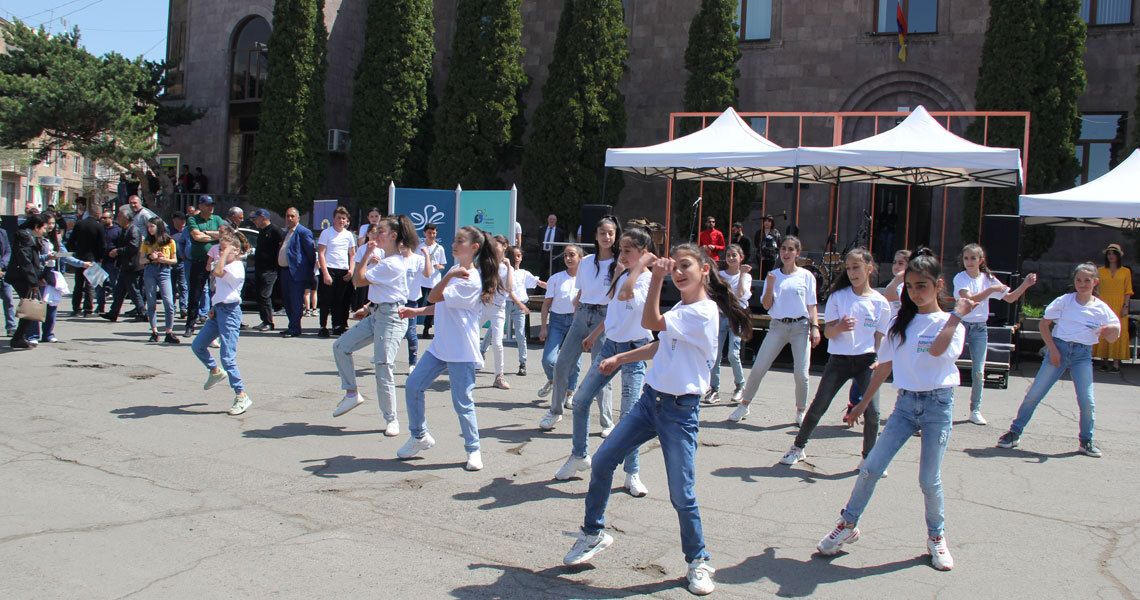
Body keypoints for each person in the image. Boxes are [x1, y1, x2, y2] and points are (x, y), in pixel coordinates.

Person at [562, 244, 753, 597]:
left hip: (680, 412)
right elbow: (659, 343)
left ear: (705, 270)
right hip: (651, 402)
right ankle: (593, 532)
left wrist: (658, 277)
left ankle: (698, 561)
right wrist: (621, 357)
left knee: (682, 494)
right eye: (675, 267)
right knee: (603, 461)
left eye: (686, 267)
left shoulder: (705, 311)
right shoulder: (683, 306)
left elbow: (651, 323)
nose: (679, 272)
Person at [818, 248, 972, 572]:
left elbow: (939, 350)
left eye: (923, 286)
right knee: (870, 468)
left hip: (937, 406)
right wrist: (861, 403)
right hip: (905, 406)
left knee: (929, 480)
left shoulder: (948, 322)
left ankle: (936, 538)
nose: (916, 293)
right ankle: (847, 524)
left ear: (938, 285)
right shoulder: (900, 324)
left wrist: (957, 314)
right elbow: (883, 367)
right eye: (911, 286)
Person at [553, 227, 656, 497]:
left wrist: (642, 266)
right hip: (611, 346)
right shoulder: (622, 273)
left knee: (630, 415)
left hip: (636, 350)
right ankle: (579, 455)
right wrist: (595, 334)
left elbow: (627, 296)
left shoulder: (646, 280)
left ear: (643, 253)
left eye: (627, 250)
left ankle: (632, 473)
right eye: (621, 249)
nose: (621, 254)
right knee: (581, 400)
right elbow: (614, 308)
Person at [396, 226, 499, 471]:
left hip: (462, 350)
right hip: (440, 347)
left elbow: (434, 296)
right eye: (454, 239)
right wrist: (416, 311)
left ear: (474, 247)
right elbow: (441, 306)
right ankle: (419, 436)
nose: (454, 244)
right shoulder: (455, 271)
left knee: (462, 402)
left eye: (460, 241)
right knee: (413, 385)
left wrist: (447, 278)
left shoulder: (470, 279)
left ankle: (474, 450)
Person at [780, 248, 890, 468]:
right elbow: (828, 333)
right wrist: (839, 327)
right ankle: (798, 447)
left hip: (866, 361)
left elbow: (880, 338)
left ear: (869, 268)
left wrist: (879, 358)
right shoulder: (838, 297)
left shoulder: (880, 302)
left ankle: (869, 458)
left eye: (856, 267)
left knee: (873, 412)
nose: (852, 273)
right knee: (819, 405)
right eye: (848, 268)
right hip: (839, 360)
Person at [997, 263, 1121, 458]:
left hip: (1082, 355)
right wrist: (1053, 350)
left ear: (1095, 282)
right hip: (1059, 349)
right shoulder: (1065, 301)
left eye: (1087, 280)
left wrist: (1108, 331)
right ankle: (1014, 432)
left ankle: (1086, 440)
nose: (1082, 284)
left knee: (1087, 400)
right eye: (1078, 280)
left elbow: (1114, 335)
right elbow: (1044, 325)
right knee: (1035, 394)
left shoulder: (1101, 308)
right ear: (1074, 282)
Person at [331, 216, 425, 436]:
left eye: (381, 231)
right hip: (377, 313)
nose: (376, 234)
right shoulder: (386, 258)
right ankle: (352, 393)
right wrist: (368, 306)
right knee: (340, 346)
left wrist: (363, 256)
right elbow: (385, 291)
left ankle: (392, 419)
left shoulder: (392, 263)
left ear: (394, 236)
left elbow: (358, 280)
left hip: (391, 318)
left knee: (383, 366)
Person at [728, 236, 820, 425]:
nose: (786, 253)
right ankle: (744, 405)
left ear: (797, 253)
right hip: (778, 326)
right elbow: (767, 304)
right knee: (759, 367)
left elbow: (812, 305)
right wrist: (769, 285)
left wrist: (815, 327)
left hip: (800, 327)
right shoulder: (773, 275)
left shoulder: (806, 276)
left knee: (801, 373)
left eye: (790, 250)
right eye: (783, 249)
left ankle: (801, 410)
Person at [540, 216, 618, 433]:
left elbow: (616, 299)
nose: (606, 237)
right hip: (582, 314)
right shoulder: (586, 262)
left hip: (604, 317)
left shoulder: (618, 264)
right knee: (562, 363)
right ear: (596, 235)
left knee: (602, 369)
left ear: (615, 236)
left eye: (611, 233)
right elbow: (582, 291)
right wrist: (578, 311)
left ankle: (606, 420)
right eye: (602, 233)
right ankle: (555, 411)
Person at [953, 243, 1037, 425]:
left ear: (980, 260)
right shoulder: (960, 278)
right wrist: (991, 291)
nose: (969, 262)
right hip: (960, 325)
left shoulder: (988, 278)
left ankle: (975, 409)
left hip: (980, 327)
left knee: (978, 371)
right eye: (966, 258)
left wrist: (1025, 284)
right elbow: (970, 299)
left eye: (973, 258)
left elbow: (1010, 297)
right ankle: (945, 403)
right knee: (949, 364)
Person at [192, 232, 251, 415]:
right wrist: (213, 306)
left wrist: (225, 254)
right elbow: (220, 288)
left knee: (227, 356)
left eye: (224, 249)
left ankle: (241, 395)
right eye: (219, 248)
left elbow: (216, 272)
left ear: (236, 250)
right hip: (219, 311)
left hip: (231, 313)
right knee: (198, 345)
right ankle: (214, 371)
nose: (219, 252)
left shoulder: (237, 267)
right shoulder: (226, 263)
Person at [704, 244, 751, 404]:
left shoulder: (746, 276)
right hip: (720, 316)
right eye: (729, 255)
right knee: (715, 355)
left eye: (734, 255)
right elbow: (713, 295)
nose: (731, 258)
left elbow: (739, 295)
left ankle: (740, 386)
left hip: (736, 317)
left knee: (733, 353)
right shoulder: (721, 275)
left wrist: (743, 275)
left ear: (741, 258)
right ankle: (714, 389)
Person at [479, 235, 526, 390]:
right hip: (482, 306)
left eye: (496, 244)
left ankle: (499, 377)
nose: (493, 247)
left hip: (498, 308)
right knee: (470, 334)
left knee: (497, 343)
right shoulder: (487, 262)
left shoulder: (508, 267)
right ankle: (466, 365)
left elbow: (509, 288)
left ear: (505, 246)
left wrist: (509, 267)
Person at [538, 244, 582, 400]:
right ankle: (554, 381)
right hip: (556, 321)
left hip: (576, 322)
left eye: (572, 255)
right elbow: (546, 304)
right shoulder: (556, 278)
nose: (568, 258)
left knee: (575, 362)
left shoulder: (585, 279)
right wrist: (543, 327)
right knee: (548, 360)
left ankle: (569, 392)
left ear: (580, 258)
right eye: (565, 255)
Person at [185, 196, 225, 336]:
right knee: (195, 294)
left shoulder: (217, 219)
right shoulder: (193, 219)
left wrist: (206, 233)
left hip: (216, 262)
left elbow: (224, 234)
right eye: (207, 205)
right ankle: (190, 324)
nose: (210, 207)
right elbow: (196, 236)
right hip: (199, 261)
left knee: (218, 293)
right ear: (200, 206)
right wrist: (215, 236)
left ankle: (218, 324)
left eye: (212, 204)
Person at [7, 215, 48, 349]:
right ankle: (18, 338)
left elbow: (33, 260)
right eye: (44, 228)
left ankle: (19, 337)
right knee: (30, 307)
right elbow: (24, 260)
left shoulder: (30, 236)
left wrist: (38, 277)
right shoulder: (25, 237)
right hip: (21, 277)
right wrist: (33, 281)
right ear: (36, 227)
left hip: (26, 276)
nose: (45, 231)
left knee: (30, 307)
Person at [100, 206, 146, 323]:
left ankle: (142, 313)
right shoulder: (124, 230)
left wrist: (118, 251)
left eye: (120, 216)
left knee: (133, 290)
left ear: (126, 218)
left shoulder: (133, 230)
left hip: (132, 266)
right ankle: (113, 313)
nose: (118, 219)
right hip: (124, 265)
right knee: (119, 291)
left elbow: (133, 247)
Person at [316, 206, 357, 337]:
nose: (341, 220)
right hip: (329, 269)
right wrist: (325, 273)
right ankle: (323, 326)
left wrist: (351, 270)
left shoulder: (349, 235)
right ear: (333, 219)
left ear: (347, 220)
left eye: (343, 218)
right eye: (338, 218)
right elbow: (321, 253)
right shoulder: (326, 233)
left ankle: (337, 325)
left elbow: (352, 254)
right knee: (326, 300)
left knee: (339, 300)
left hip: (343, 270)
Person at [139, 217, 180, 344]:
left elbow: (174, 260)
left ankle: (169, 331)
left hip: (164, 270)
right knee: (151, 302)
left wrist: (163, 259)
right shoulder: (146, 242)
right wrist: (151, 257)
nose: (150, 229)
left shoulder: (169, 241)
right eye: (149, 227)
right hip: (150, 271)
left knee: (168, 302)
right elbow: (141, 261)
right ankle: (154, 331)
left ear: (159, 227)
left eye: (152, 226)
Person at [505, 245, 545, 376]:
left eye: (518, 255)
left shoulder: (524, 273)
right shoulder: (504, 271)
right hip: (505, 304)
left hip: (519, 305)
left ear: (521, 257)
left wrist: (554, 287)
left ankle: (523, 363)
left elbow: (539, 282)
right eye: (513, 256)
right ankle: (481, 352)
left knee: (521, 334)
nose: (516, 258)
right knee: (494, 331)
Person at [1094, 243, 1132, 372]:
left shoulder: (1126, 271)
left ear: (1118, 256)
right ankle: (1104, 361)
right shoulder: (1100, 271)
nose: (1111, 256)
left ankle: (1116, 363)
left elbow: (1128, 291)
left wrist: (1125, 306)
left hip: (1119, 304)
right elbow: (1096, 289)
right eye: (1109, 254)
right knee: (1104, 330)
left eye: (1114, 253)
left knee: (1118, 331)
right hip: (1104, 304)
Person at [278, 207, 316, 337]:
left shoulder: (303, 232)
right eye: (287, 216)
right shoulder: (286, 232)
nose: (289, 218)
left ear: (298, 218)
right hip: (284, 271)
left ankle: (295, 328)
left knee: (295, 301)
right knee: (287, 300)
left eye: (292, 216)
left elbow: (311, 254)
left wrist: (308, 273)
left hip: (296, 273)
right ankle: (291, 325)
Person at [400, 230, 432, 367]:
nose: (402, 245)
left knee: (411, 333)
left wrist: (426, 256)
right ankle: (384, 360)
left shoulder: (418, 259)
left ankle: (412, 363)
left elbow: (428, 273)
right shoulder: (395, 259)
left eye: (405, 242)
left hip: (411, 302)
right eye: (400, 243)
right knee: (390, 333)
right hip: (395, 300)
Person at [251, 209, 284, 331]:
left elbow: (282, 245)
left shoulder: (275, 230)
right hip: (260, 268)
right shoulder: (262, 231)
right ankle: (264, 320)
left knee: (265, 295)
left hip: (270, 269)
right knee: (259, 295)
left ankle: (269, 323)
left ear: (263, 217)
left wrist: (278, 262)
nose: (254, 221)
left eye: (256, 218)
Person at [414, 223, 446, 337]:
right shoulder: (420, 247)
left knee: (432, 306)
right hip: (421, 281)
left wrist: (439, 266)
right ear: (424, 233)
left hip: (434, 282)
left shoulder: (439, 248)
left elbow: (443, 264)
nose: (432, 235)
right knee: (417, 303)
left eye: (434, 233)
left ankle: (426, 329)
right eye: (429, 233)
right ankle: (411, 327)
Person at [96, 209, 121, 315]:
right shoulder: (100, 229)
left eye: (105, 218)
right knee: (99, 285)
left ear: (111, 218)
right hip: (101, 260)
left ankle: (114, 308)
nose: (103, 219)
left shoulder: (117, 230)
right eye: (102, 217)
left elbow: (120, 245)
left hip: (113, 262)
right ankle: (100, 306)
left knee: (114, 284)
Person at [169, 211, 189, 318]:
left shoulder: (186, 231)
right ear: (174, 220)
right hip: (170, 262)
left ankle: (183, 308)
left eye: (184, 220)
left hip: (182, 262)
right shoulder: (168, 231)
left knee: (183, 286)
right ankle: (172, 308)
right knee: (171, 287)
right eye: (180, 219)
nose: (182, 222)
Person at [0, 227, 16, 336]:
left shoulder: (2, 232)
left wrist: (2, 264)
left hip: (3, 273)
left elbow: (8, 251)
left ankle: (11, 327)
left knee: (9, 299)